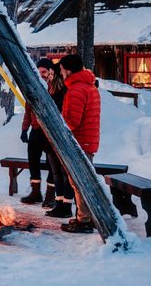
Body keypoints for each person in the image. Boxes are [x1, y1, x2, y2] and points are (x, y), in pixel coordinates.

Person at [57, 54, 101, 234]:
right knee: (80, 182)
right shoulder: (88, 86)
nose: (60, 74)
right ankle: (84, 217)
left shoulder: (76, 90)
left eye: (61, 70)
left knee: (79, 182)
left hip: (80, 142)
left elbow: (72, 121)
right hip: (87, 140)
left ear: (68, 70)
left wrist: (58, 123)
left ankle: (85, 220)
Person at [19, 58, 57, 206]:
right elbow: (28, 111)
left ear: (50, 72)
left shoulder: (54, 88)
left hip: (50, 133)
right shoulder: (33, 88)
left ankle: (50, 195)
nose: (41, 75)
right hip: (35, 131)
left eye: (44, 72)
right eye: (39, 72)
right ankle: (36, 192)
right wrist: (24, 129)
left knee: (51, 164)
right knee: (33, 161)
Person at [44, 62, 74, 218]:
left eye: (49, 73)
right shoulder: (50, 90)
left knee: (63, 172)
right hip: (50, 136)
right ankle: (59, 202)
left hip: (60, 136)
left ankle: (66, 205)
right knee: (55, 171)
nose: (48, 76)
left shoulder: (62, 92)